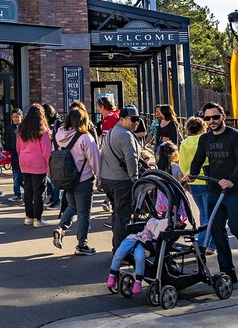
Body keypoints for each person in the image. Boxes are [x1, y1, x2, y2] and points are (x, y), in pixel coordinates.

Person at [183, 102, 238, 284]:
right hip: (214, 189)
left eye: (215, 117)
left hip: (236, 190)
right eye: (208, 118)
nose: (212, 121)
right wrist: (191, 174)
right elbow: (198, 159)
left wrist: (231, 180)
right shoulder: (205, 139)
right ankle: (227, 271)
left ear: (223, 116)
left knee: (237, 228)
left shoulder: (236, 136)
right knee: (216, 229)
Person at [52, 106, 101, 255]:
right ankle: (82, 245)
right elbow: (95, 160)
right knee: (84, 213)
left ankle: (60, 228)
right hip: (83, 179)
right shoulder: (86, 138)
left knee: (72, 207)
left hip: (66, 179)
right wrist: (99, 177)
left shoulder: (58, 135)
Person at [99, 105, 141, 249]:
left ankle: (116, 247)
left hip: (108, 179)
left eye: (138, 119)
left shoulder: (111, 132)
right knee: (123, 217)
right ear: (122, 119)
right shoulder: (125, 134)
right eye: (133, 119)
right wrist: (135, 178)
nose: (136, 123)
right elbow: (131, 158)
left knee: (116, 214)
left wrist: (100, 177)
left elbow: (102, 155)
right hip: (121, 181)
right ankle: (121, 250)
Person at [107, 217, 170, 296]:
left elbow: (156, 247)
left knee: (140, 257)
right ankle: (112, 275)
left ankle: (138, 281)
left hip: (143, 246)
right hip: (134, 238)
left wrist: (151, 251)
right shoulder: (151, 225)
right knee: (119, 253)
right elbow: (147, 236)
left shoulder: (161, 237)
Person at [179, 116, 214, 254]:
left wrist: (186, 178)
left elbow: (182, 164)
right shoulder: (205, 140)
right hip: (205, 179)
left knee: (202, 212)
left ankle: (205, 240)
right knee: (209, 214)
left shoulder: (184, 144)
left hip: (192, 180)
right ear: (203, 127)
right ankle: (205, 243)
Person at [17, 103, 52, 227]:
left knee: (28, 190)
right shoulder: (42, 130)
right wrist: (49, 167)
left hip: (24, 162)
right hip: (38, 164)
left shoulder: (22, 129)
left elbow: (18, 147)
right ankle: (37, 219)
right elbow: (47, 151)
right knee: (39, 192)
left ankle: (28, 217)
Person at [42, 103, 62, 209]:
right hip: (49, 151)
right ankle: (54, 197)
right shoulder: (47, 122)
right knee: (49, 176)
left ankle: (57, 199)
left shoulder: (57, 122)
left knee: (55, 177)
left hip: (56, 151)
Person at [5, 108, 24, 203]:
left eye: (17, 117)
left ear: (21, 117)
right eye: (13, 117)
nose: (15, 119)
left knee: (25, 175)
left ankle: (29, 192)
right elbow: (7, 142)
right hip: (14, 154)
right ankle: (17, 194)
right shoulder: (9, 128)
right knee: (16, 175)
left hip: (25, 154)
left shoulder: (25, 127)